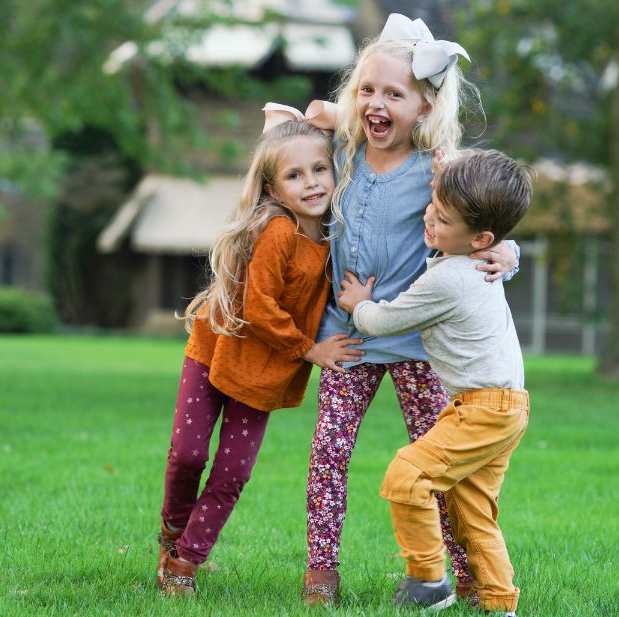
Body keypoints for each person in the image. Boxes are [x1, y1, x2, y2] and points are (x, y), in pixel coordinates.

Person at [300, 13, 521, 605]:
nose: (375, 102)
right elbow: (299, 146)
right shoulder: (339, 155)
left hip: (419, 346)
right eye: (366, 90)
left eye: (393, 93)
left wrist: (507, 251)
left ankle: (462, 574)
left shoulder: (438, 170)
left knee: (439, 471)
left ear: (423, 107)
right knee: (328, 457)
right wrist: (310, 116)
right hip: (348, 337)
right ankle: (321, 570)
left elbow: (486, 216)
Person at [155, 114, 365, 596]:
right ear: (272, 187)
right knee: (187, 456)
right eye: (295, 175)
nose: (311, 182)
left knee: (232, 473)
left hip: (264, 374)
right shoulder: (277, 231)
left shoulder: (337, 236)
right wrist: (309, 349)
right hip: (216, 349)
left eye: (319, 169)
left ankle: (185, 563)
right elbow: (258, 307)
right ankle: (171, 532)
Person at [337, 149, 532, 614]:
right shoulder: (484, 255)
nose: (429, 219)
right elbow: (461, 204)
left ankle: (428, 579)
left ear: (481, 237)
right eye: (432, 204)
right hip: (504, 406)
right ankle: (500, 602)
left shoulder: (449, 279)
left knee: (408, 475)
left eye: (442, 219)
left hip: (484, 408)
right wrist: (445, 173)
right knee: (472, 512)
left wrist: (358, 304)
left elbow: (382, 323)